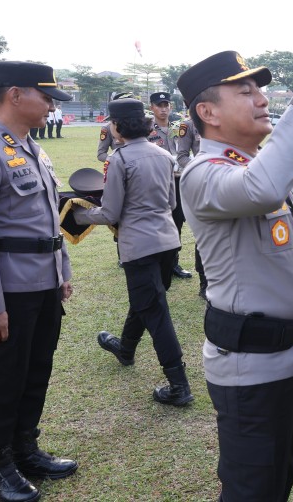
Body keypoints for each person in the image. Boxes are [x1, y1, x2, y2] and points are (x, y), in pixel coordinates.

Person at [178, 47, 293, 501]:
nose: (262, 99)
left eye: (260, 89)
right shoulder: (203, 174)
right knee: (252, 491)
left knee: (277, 482)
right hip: (251, 369)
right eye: (245, 91)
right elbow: (261, 189)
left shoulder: (262, 166)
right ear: (208, 112)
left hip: (292, 359)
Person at [0, 61, 78, 502]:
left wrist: (61, 271)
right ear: (16, 95)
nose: (51, 106)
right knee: (4, 379)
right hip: (8, 293)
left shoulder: (32, 149)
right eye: (46, 97)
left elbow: (48, 219)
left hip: (42, 287)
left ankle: (25, 449)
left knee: (36, 371)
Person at [70, 97, 193, 407]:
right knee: (147, 300)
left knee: (155, 311)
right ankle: (125, 348)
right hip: (167, 242)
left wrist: (78, 213)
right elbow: (172, 204)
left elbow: (110, 213)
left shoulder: (119, 160)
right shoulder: (165, 154)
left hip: (139, 247)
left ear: (116, 126)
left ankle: (179, 384)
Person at [148, 91, 192, 279]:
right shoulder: (146, 128)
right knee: (157, 222)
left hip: (177, 180)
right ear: (152, 108)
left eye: (166, 105)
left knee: (178, 221)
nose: (163, 109)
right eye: (159, 105)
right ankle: (156, 263)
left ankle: (173, 263)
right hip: (156, 182)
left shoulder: (178, 127)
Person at [173, 111, 208, 298]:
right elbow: (182, 157)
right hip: (203, 183)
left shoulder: (226, 119)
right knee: (205, 232)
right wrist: (201, 166)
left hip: (229, 180)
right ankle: (205, 283)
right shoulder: (189, 125)